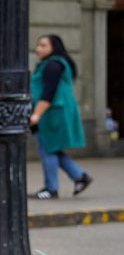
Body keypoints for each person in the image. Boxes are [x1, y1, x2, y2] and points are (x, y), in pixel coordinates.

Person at [29, 34, 91, 199]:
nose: (38, 49)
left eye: (43, 45)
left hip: (52, 113)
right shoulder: (51, 64)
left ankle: (51, 188)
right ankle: (79, 176)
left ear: (53, 47)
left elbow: (48, 92)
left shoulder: (53, 65)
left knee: (47, 148)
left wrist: (36, 115)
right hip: (54, 111)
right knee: (53, 148)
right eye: (38, 45)